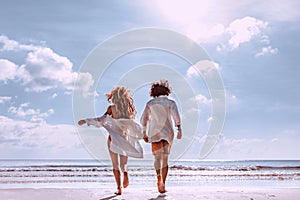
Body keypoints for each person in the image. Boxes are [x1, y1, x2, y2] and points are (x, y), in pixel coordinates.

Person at [78, 86, 143, 195]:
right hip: (124, 139)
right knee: (123, 163)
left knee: (115, 165)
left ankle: (119, 188)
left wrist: (86, 120)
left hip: (113, 139)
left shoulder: (111, 108)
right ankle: (125, 173)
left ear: (114, 97)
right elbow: (129, 125)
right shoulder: (128, 110)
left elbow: (101, 120)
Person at [140, 80, 182, 193]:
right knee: (165, 159)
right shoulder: (170, 103)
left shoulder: (150, 103)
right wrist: (179, 128)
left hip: (154, 132)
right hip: (168, 133)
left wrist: (144, 133)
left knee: (157, 158)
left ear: (153, 92)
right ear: (166, 91)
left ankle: (158, 178)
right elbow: (176, 118)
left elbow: (144, 119)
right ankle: (163, 182)